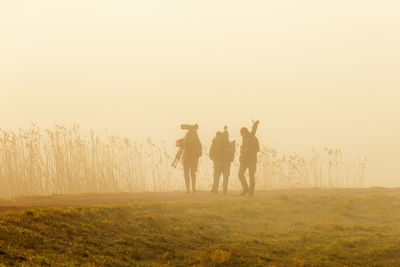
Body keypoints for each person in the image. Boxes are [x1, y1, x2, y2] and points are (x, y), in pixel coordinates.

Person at [176, 125, 202, 193]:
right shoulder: (196, 140)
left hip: (186, 159)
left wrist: (180, 144)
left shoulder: (186, 139)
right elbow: (200, 149)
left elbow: (177, 143)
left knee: (187, 174)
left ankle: (189, 189)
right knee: (192, 174)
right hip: (192, 159)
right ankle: (192, 189)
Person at [209, 127, 235, 194]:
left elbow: (211, 152)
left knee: (216, 176)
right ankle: (225, 190)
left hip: (217, 161)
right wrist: (230, 159)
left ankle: (215, 189)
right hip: (226, 162)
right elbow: (232, 152)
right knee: (225, 177)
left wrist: (213, 158)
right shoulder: (228, 143)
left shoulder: (215, 141)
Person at [238, 121, 260, 196]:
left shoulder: (251, 137)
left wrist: (255, 124)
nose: (241, 135)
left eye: (242, 133)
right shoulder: (244, 139)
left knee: (251, 175)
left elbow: (254, 130)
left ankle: (250, 192)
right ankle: (246, 189)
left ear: (245, 133)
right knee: (240, 174)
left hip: (251, 160)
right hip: (245, 160)